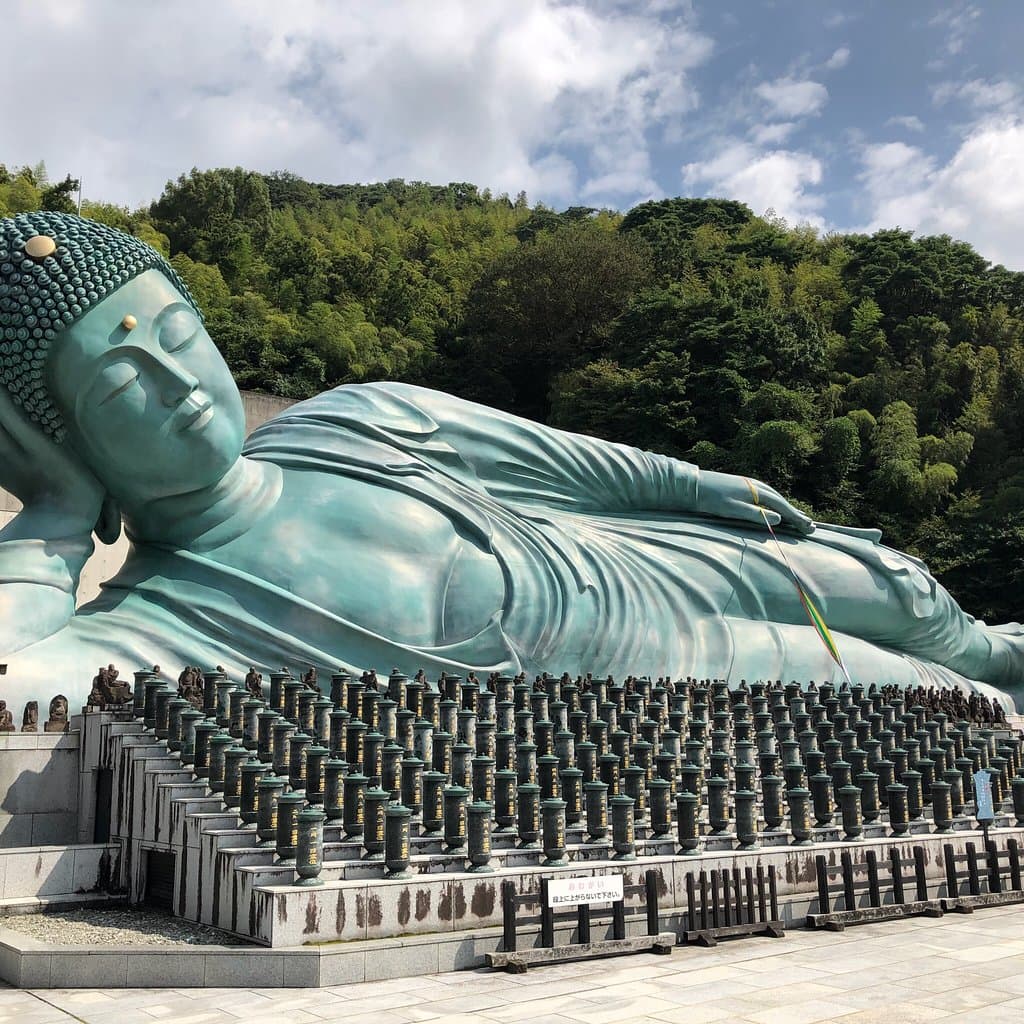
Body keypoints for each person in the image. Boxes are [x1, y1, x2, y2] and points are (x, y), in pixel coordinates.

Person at [0, 212, 1023, 713]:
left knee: (902, 591)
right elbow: (13, 685)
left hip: (626, 556)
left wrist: (697, 485)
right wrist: (51, 516)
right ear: (65, 441)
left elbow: (575, 466)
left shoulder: (352, 419)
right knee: (931, 698)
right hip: (653, 675)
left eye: (179, 335)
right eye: (121, 389)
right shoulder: (159, 619)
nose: (179, 383)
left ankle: (998, 646)